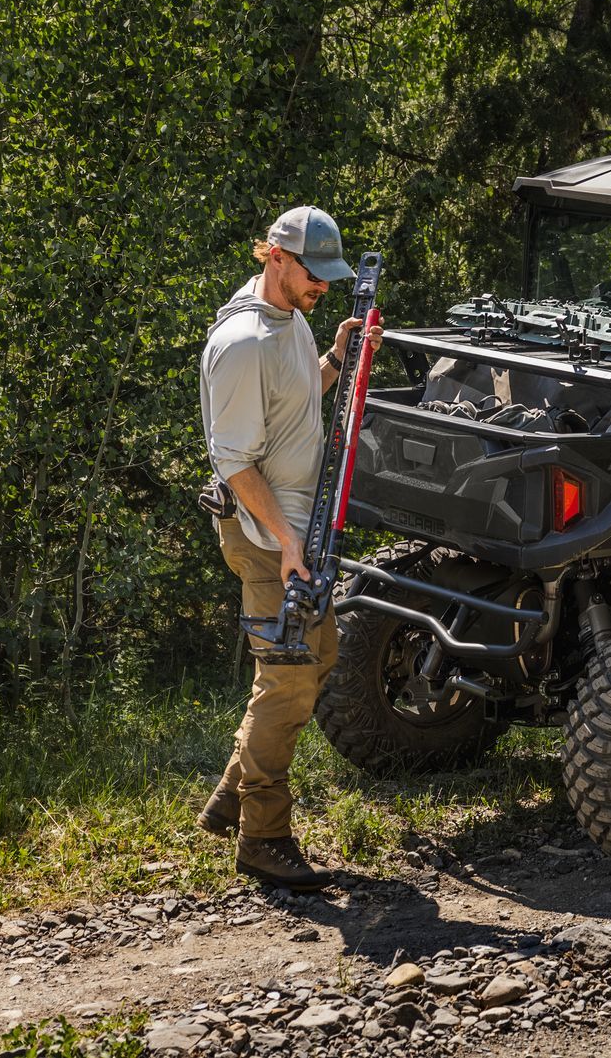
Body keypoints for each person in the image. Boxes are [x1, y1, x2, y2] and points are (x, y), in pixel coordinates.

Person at [195, 205, 381, 890]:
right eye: (313, 273)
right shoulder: (244, 342)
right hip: (269, 540)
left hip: (298, 536)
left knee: (318, 654)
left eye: (331, 275)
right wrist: (286, 545)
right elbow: (236, 463)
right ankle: (263, 836)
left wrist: (335, 356)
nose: (323, 286)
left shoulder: (290, 319)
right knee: (289, 677)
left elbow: (298, 401)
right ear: (274, 256)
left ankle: (229, 797)